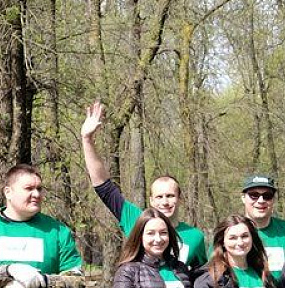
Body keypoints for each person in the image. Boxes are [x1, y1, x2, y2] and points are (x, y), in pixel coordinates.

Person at [80, 102, 209, 269]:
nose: (165, 202)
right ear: (151, 200)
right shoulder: (136, 221)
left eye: (170, 196)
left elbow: (201, 277)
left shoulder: (195, 237)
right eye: (159, 197)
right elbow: (104, 188)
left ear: (180, 199)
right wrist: (87, 140)